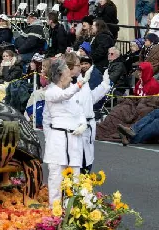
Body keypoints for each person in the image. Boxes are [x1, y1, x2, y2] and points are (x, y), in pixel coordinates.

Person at [42, 56, 85, 207]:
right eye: (67, 70)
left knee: (75, 177)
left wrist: (83, 124)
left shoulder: (70, 91)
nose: (70, 74)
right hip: (58, 139)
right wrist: (79, 84)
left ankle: (72, 210)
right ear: (60, 75)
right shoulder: (51, 92)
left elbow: (79, 111)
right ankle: (54, 210)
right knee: (56, 177)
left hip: (74, 139)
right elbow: (63, 96)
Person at [96, 62, 159, 141]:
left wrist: (139, 103)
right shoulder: (139, 83)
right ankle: (107, 129)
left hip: (145, 106)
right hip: (135, 104)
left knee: (138, 112)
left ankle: (125, 132)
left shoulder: (154, 85)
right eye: (138, 71)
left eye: (141, 71)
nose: (139, 73)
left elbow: (153, 101)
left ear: (146, 72)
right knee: (119, 109)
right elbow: (136, 96)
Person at [68, 52, 111, 172]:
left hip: (88, 126)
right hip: (76, 127)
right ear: (70, 67)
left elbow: (89, 99)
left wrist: (104, 85)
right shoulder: (66, 85)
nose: (81, 67)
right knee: (77, 165)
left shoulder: (82, 80)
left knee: (87, 161)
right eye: (78, 65)